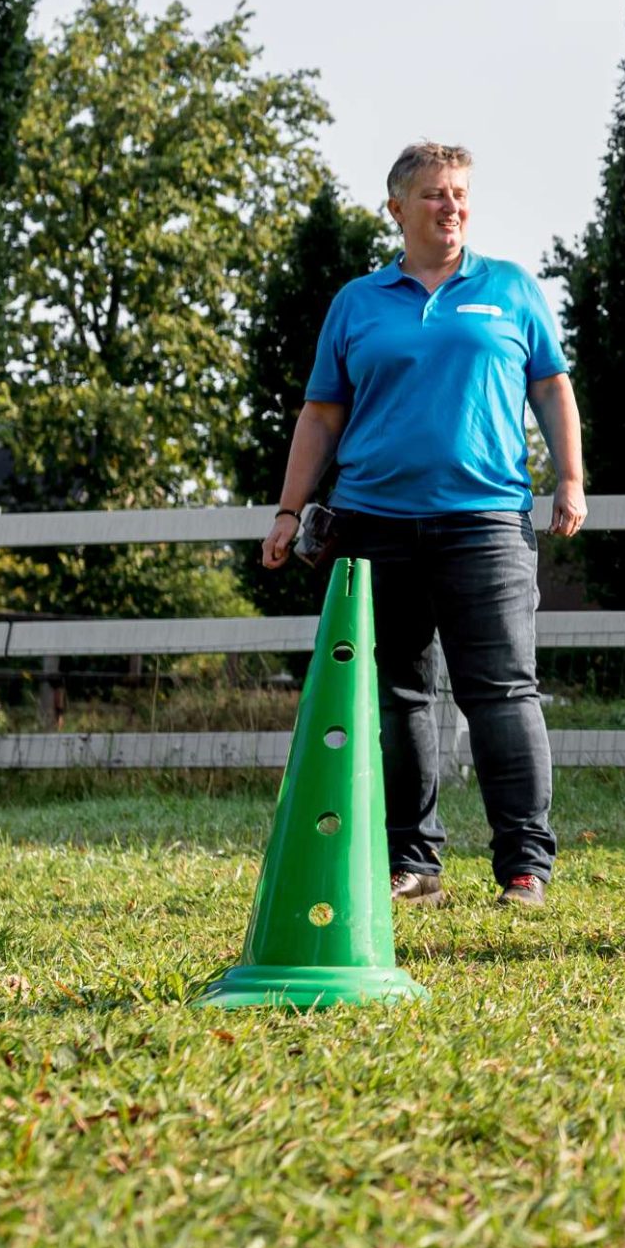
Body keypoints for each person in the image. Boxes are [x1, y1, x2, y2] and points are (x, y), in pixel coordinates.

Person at [263, 141, 585, 909]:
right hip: (373, 524)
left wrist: (570, 478)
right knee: (399, 695)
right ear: (397, 208)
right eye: (436, 194)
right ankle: (414, 863)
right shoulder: (358, 301)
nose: (452, 206)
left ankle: (523, 867)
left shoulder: (509, 289)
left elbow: (552, 387)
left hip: (486, 523)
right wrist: (287, 509)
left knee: (503, 692)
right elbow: (321, 413)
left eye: (462, 193)